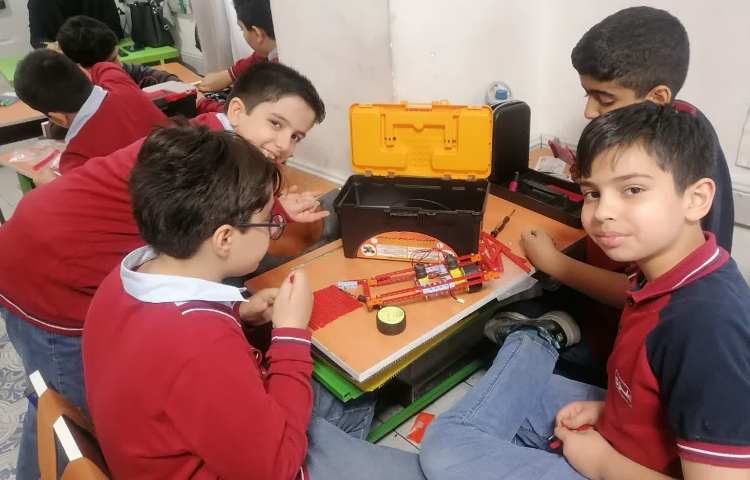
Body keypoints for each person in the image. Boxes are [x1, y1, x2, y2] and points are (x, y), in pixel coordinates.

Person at [0, 62, 327, 480]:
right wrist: (288, 333)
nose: (283, 145)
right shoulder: (195, 337)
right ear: (237, 111)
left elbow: (215, 209)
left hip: (69, 256)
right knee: (75, 418)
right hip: (42, 274)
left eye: (296, 136)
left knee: (114, 402)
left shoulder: (206, 149)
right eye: (276, 124)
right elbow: (271, 466)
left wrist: (272, 211)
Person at [419, 102, 750, 479]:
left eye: (632, 189)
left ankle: (534, 341)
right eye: (593, 193)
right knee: (518, 393)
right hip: (626, 437)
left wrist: (601, 463)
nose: (603, 212)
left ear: (697, 199)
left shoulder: (708, 326)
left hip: (621, 467)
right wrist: (609, 412)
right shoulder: (661, 273)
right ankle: (536, 339)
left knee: (448, 445)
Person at [83, 125, 424, 479]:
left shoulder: (122, 278)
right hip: (267, 466)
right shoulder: (200, 347)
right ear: (225, 239)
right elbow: (275, 469)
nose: (275, 229)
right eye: (267, 222)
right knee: (362, 401)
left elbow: (177, 359)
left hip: (167, 448)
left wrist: (240, 314)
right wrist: (290, 334)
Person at [503, 7, 735, 376]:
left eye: (605, 99)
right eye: (587, 94)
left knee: (506, 338)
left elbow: (646, 291)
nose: (589, 111)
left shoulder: (684, 164)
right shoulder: (669, 126)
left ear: (657, 98)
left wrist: (555, 263)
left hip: (628, 342)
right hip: (611, 305)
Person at [13, 49, 166, 184]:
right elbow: (103, 67)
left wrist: (48, 184)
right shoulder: (119, 82)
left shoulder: (76, 158)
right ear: (83, 71)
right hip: (177, 169)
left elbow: (75, 196)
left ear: (58, 118)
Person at [197, 0, 278, 113]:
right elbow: (256, 59)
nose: (243, 33)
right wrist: (229, 74)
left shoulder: (277, 77)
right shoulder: (270, 52)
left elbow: (244, 117)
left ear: (257, 33)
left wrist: (202, 103)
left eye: (242, 29)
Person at [56, 15, 179, 88]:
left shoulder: (126, 70)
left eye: (116, 57)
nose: (118, 66)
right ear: (79, 68)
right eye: (110, 63)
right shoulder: (72, 99)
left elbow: (159, 77)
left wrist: (177, 85)